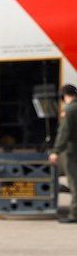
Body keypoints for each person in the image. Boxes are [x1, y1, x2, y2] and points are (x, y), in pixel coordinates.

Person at [49, 83, 77, 223]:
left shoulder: (70, 110)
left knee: (74, 183)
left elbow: (64, 133)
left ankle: (74, 215)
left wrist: (56, 151)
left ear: (63, 96)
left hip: (73, 152)